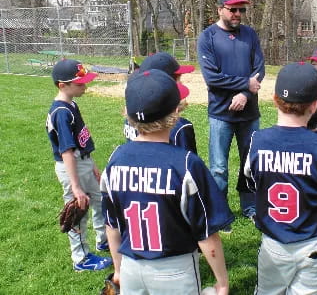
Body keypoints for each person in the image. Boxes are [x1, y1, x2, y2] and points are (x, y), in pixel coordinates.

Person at [101, 69, 234, 295]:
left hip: (131, 264)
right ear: (175, 111)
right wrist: (221, 282)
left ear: (128, 114)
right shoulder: (185, 163)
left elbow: (112, 224)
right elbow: (206, 234)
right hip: (175, 268)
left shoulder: (115, 158)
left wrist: (118, 269)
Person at [244, 62, 317, 294]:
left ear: (274, 98)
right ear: (316, 105)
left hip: (273, 243)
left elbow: (250, 185)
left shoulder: (257, 141)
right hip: (312, 242)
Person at [197, 0, 265, 225]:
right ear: (220, 9)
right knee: (218, 168)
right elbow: (212, 78)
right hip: (220, 114)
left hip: (249, 112)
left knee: (250, 163)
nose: (237, 13)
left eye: (241, 9)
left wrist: (245, 93)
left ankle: (250, 208)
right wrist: (245, 83)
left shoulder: (250, 35)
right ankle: (220, 213)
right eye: (232, 9)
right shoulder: (207, 37)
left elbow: (259, 69)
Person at [45, 59, 113, 271]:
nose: (85, 86)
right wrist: (75, 186)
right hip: (71, 168)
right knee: (78, 213)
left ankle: (103, 240)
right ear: (62, 85)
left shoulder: (71, 104)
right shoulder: (61, 113)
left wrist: (91, 164)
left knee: (101, 201)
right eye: (79, 83)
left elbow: (80, 142)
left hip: (83, 163)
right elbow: (66, 151)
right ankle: (81, 259)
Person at [123, 52, 198, 154]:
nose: (181, 83)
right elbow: (189, 165)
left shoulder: (134, 117)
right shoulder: (180, 127)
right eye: (178, 79)